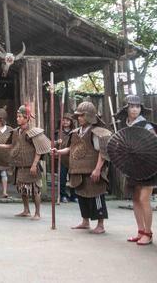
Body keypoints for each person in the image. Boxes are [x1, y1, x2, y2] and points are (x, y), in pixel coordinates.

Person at [53, 101, 109, 234]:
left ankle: (100, 224)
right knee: (82, 196)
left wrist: (98, 169)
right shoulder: (76, 132)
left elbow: (102, 151)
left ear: (89, 116)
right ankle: (85, 221)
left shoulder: (96, 132)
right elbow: (71, 149)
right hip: (78, 169)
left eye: (82, 115)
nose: (79, 118)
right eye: (78, 116)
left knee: (96, 196)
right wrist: (58, 152)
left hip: (92, 170)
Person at [0, 105, 48, 220]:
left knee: (35, 190)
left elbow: (39, 149)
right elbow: (11, 145)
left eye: (20, 116)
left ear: (26, 118)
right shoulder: (15, 132)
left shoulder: (32, 132)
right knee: (22, 189)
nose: (17, 118)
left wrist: (34, 164)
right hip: (20, 165)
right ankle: (26, 210)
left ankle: (37, 213)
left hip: (31, 165)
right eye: (17, 116)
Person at [115, 95, 156, 246]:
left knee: (144, 199)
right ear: (126, 108)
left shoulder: (146, 125)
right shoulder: (123, 125)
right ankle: (140, 231)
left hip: (148, 166)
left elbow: (154, 145)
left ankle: (148, 233)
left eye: (138, 106)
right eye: (132, 106)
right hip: (133, 167)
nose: (135, 109)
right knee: (135, 199)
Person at [56, 112, 77, 203]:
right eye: (63, 120)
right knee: (62, 178)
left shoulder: (76, 132)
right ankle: (63, 195)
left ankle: (74, 196)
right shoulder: (57, 132)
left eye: (67, 120)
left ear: (71, 122)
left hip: (73, 158)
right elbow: (50, 143)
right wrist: (57, 142)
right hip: (62, 158)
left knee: (74, 178)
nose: (65, 122)